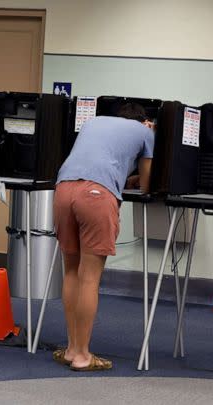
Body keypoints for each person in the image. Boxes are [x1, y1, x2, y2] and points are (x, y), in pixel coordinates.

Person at [52, 103, 154, 370]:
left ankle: (72, 349)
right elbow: (146, 185)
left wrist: (123, 178)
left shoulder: (93, 122)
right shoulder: (145, 132)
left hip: (63, 189)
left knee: (72, 272)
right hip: (96, 195)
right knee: (90, 278)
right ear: (144, 121)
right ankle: (84, 357)